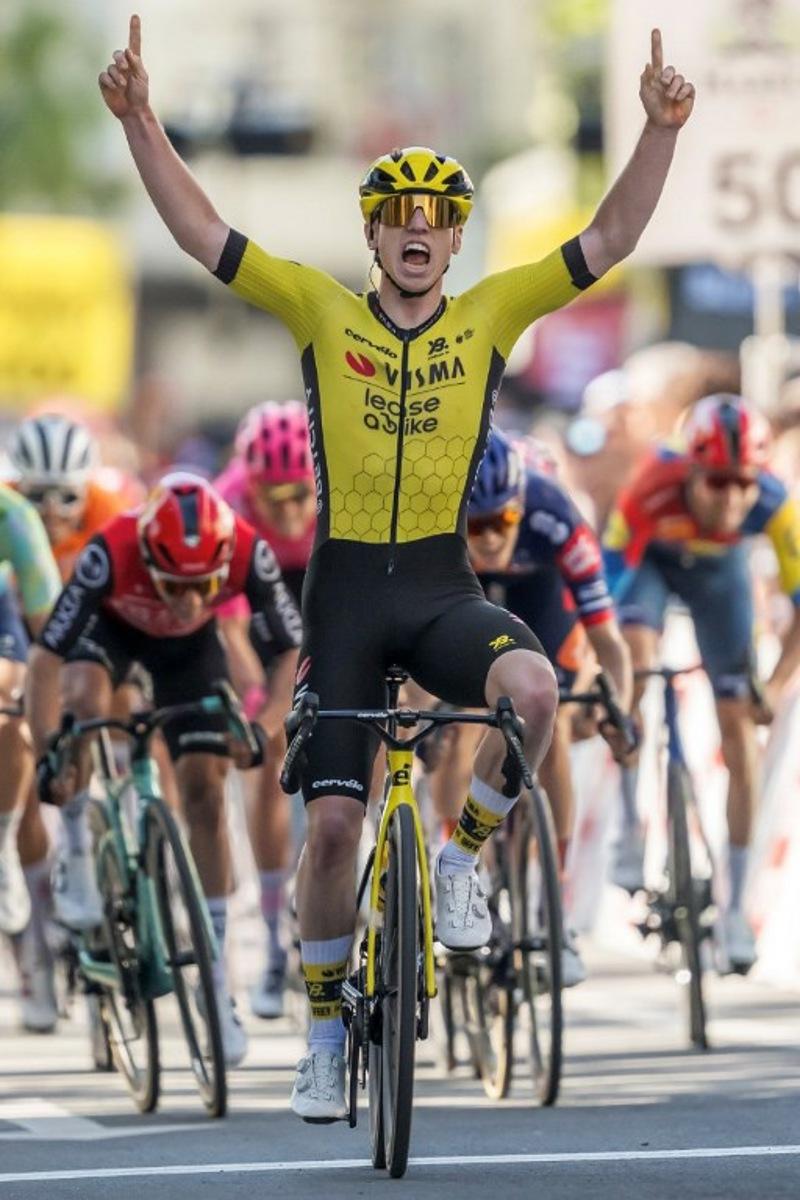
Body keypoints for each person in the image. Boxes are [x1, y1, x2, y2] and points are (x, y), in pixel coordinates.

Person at [100, 14, 694, 1119]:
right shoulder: (322, 313)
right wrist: (141, 119)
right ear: (372, 234)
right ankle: (324, 1033)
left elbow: (607, 238)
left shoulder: (487, 316)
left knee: (531, 687)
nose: (417, 231)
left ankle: (464, 857)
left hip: (436, 587)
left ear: (454, 240)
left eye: (436, 218)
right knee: (331, 823)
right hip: (343, 598)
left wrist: (657, 131)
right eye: (397, 216)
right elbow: (203, 234)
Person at [25, 472, 302, 1064]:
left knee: (205, 790)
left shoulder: (246, 547)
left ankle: (216, 976)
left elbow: (291, 652)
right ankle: (76, 839)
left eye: (203, 584)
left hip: (189, 655)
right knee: (84, 698)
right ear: (147, 553)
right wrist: (51, 749)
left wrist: (263, 728)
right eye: (173, 582)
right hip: (113, 636)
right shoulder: (110, 550)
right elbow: (47, 657)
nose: (187, 599)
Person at [425, 429, 632, 986]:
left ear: (521, 509)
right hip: (458, 591)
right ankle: (462, 877)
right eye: (478, 525)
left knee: (554, 723)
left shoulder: (553, 515)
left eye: (502, 523)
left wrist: (619, 706)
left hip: (539, 599)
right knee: (457, 724)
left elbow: (608, 640)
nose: (490, 537)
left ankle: (551, 910)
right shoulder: (436, 521)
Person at [603, 394, 800, 972]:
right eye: (717, 483)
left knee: (741, 734)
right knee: (635, 664)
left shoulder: (775, 503)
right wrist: (612, 681)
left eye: (743, 483)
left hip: (722, 579)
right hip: (649, 571)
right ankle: (628, 831)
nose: (732, 499)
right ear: (689, 468)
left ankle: (735, 907)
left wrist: (773, 681)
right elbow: (605, 598)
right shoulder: (650, 485)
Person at [215, 400, 316, 1018]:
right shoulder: (228, 510)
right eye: (270, 496)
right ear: (248, 482)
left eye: (298, 495)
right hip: (254, 613)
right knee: (267, 750)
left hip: (317, 588)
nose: (286, 509)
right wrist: (263, 705)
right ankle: (276, 934)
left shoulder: (336, 494)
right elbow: (230, 634)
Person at [0, 485, 63, 1030]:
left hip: (4, 628)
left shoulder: (13, 515)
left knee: (10, 716)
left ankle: (6, 839)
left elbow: (50, 631)